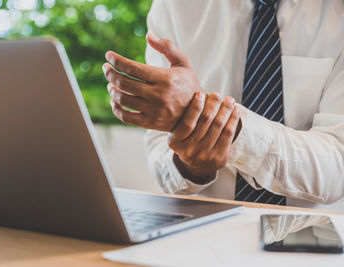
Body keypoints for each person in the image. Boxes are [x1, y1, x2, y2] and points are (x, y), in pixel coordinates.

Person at [102, 0, 344, 210]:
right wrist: (191, 167)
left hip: (313, 243)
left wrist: (221, 123)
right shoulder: (174, 6)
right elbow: (162, 155)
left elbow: (338, 168)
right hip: (203, 234)